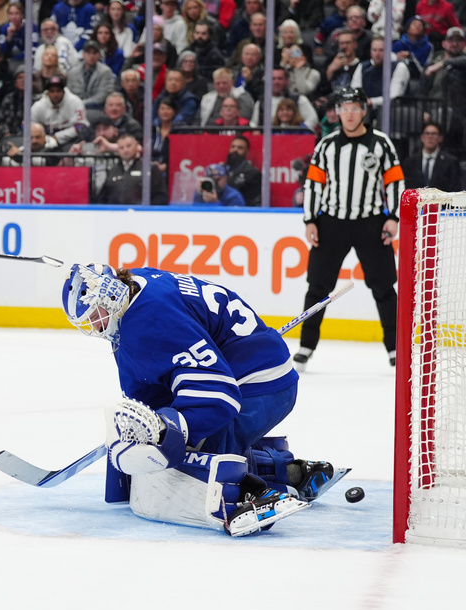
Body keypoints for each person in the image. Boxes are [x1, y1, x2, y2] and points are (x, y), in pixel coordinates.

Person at [60, 263, 341, 537]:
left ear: (110, 295)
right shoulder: (136, 286)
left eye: (94, 313)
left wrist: (169, 430)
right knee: (169, 446)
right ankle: (289, 472)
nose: (94, 326)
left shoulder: (150, 322)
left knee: (180, 458)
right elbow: (153, 378)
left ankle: (252, 495)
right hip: (251, 367)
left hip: (258, 386)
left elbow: (219, 396)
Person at [295, 87, 403, 371]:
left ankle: (395, 349)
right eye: (345, 108)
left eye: (355, 108)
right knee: (317, 287)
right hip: (331, 223)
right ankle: (306, 346)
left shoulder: (381, 143)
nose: (350, 114)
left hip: (371, 223)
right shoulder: (327, 145)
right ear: (338, 112)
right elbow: (313, 184)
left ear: (364, 111)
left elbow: (394, 182)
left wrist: (393, 217)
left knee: (383, 287)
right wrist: (310, 220)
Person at [95, 133, 168, 205]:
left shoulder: (150, 168)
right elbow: (103, 197)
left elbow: (160, 196)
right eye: (121, 148)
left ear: (136, 145)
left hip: (141, 214)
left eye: (128, 146)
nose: (125, 150)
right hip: (115, 214)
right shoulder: (113, 169)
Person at [30, 74, 87, 148]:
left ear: (63, 91)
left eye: (58, 91)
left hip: (70, 140)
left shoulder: (75, 102)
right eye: (52, 91)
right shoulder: (39, 105)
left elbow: (81, 126)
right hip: (46, 139)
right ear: (47, 93)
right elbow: (25, 125)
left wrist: (56, 137)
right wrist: (42, 137)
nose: (55, 94)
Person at [403, 121, 462, 191]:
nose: (430, 137)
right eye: (427, 133)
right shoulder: (410, 162)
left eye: (434, 134)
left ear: (440, 138)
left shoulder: (451, 162)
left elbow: (455, 189)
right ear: (422, 137)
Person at [66, 40, 115, 110]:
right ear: (83, 54)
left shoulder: (106, 72)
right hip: (74, 109)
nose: (91, 56)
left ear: (99, 55)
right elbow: (69, 94)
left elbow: (103, 95)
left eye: (94, 53)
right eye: (88, 52)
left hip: (97, 109)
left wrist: (82, 104)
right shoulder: (72, 72)